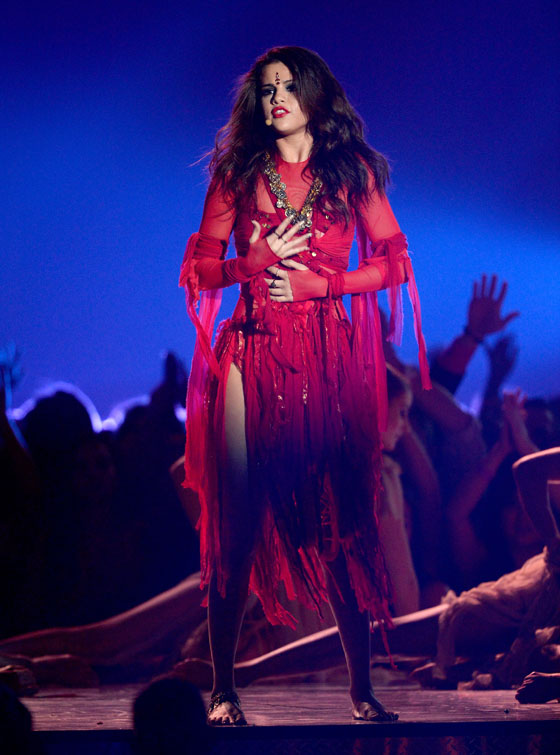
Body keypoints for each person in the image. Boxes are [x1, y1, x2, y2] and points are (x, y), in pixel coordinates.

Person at [179, 46, 430, 725]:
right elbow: (200, 270)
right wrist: (252, 260)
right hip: (251, 350)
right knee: (236, 521)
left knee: (337, 523)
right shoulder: (237, 173)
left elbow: (395, 262)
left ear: (315, 95)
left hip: (325, 358)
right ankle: (223, 688)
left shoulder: (353, 172)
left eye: (288, 86)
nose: (277, 98)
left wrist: (327, 284)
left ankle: (361, 688)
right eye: (266, 89)